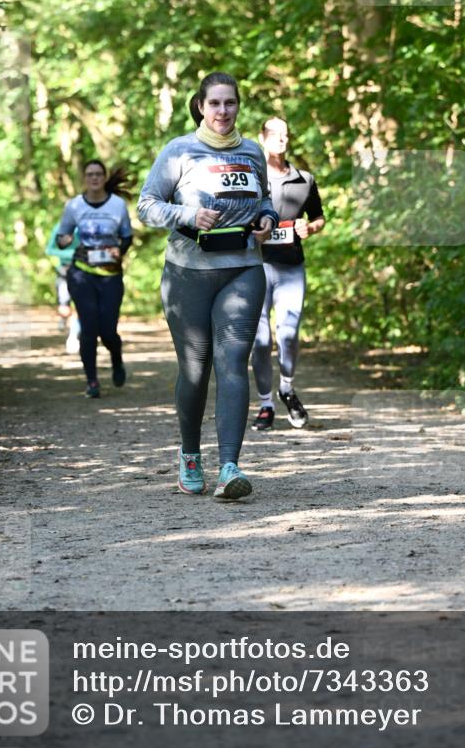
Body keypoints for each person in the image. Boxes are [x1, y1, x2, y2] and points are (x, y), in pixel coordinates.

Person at [138, 71, 278, 501]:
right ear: (201, 106)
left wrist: (268, 218)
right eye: (215, 103)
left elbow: (265, 199)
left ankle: (230, 467)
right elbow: (146, 205)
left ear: (238, 106)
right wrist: (188, 216)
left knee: (233, 361)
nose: (223, 111)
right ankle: (190, 455)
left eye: (230, 102)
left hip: (243, 268)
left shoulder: (252, 152)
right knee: (195, 370)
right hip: (188, 273)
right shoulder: (179, 150)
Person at [250, 117, 325, 431]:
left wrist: (310, 228)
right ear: (262, 138)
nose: (280, 139)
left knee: (289, 334)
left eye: (284, 134)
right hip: (256, 268)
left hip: (291, 267)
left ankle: (286, 388)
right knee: (260, 339)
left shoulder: (304, 179)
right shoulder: (252, 178)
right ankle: (265, 404)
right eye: (273, 134)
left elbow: (318, 217)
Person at [57, 160, 133, 398]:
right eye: (90, 174)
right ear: (84, 178)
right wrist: (65, 240)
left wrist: (120, 250)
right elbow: (61, 237)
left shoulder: (117, 205)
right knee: (88, 330)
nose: (94, 178)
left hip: (110, 275)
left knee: (108, 331)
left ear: (104, 177)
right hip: (82, 274)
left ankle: (116, 359)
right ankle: (92, 382)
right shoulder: (74, 205)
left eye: (99, 174)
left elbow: (127, 237)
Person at [45, 223, 80, 354]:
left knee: (81, 306)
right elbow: (49, 250)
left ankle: (73, 336)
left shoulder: (86, 226)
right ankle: (64, 317)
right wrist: (71, 254)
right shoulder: (59, 228)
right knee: (64, 308)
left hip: (82, 270)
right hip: (64, 271)